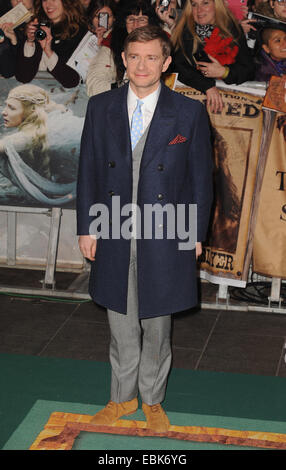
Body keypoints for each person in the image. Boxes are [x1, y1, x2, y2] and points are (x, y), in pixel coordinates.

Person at [77, 25, 213, 432]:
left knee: (156, 321)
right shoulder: (101, 107)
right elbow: (87, 171)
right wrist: (87, 227)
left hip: (167, 230)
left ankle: (152, 399)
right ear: (123, 58)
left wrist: (194, 233)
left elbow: (201, 180)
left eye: (152, 57)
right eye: (135, 56)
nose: (142, 65)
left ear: (166, 62)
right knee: (120, 317)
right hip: (113, 226)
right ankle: (122, 397)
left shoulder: (188, 111)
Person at [171, 0, 255, 113]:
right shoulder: (184, 31)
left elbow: (248, 70)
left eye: (205, 3)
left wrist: (224, 72)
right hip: (189, 107)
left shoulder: (233, 30)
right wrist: (208, 86)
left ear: (217, 5)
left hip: (229, 111)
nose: (199, 10)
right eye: (194, 4)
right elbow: (177, 66)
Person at [86, 0, 161, 96]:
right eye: (131, 19)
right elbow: (94, 85)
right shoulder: (111, 45)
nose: (136, 25)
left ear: (150, 23)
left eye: (142, 20)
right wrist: (123, 87)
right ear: (124, 23)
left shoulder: (161, 44)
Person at [15, 0, 88, 88]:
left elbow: (72, 81)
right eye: (45, 0)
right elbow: (23, 77)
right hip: (34, 93)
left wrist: (48, 51)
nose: (48, 5)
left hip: (67, 97)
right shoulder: (38, 26)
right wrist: (29, 42)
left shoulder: (80, 31)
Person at [0, 0, 34, 78]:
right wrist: (12, 41)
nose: (18, 0)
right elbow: (7, 71)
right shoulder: (6, 23)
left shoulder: (46, 20)